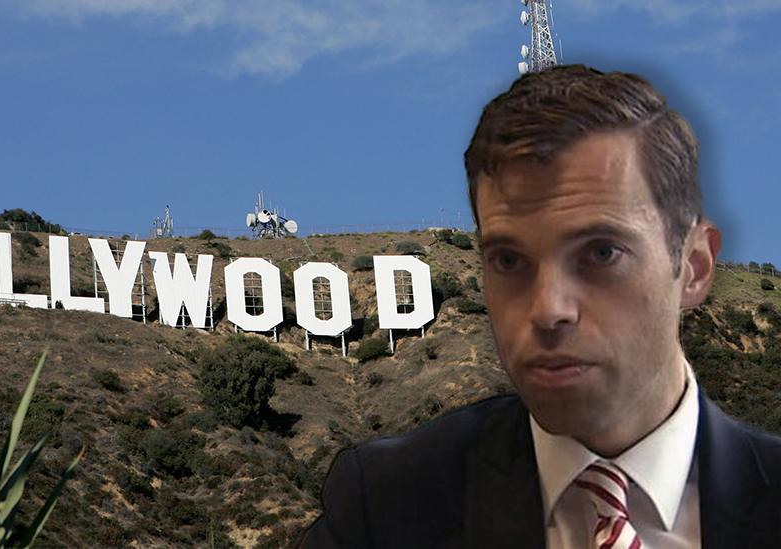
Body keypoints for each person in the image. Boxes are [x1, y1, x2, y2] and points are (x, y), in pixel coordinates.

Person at [298, 64, 781, 548]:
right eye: (509, 260)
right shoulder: (385, 507)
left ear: (695, 267)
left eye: (601, 253)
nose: (548, 309)